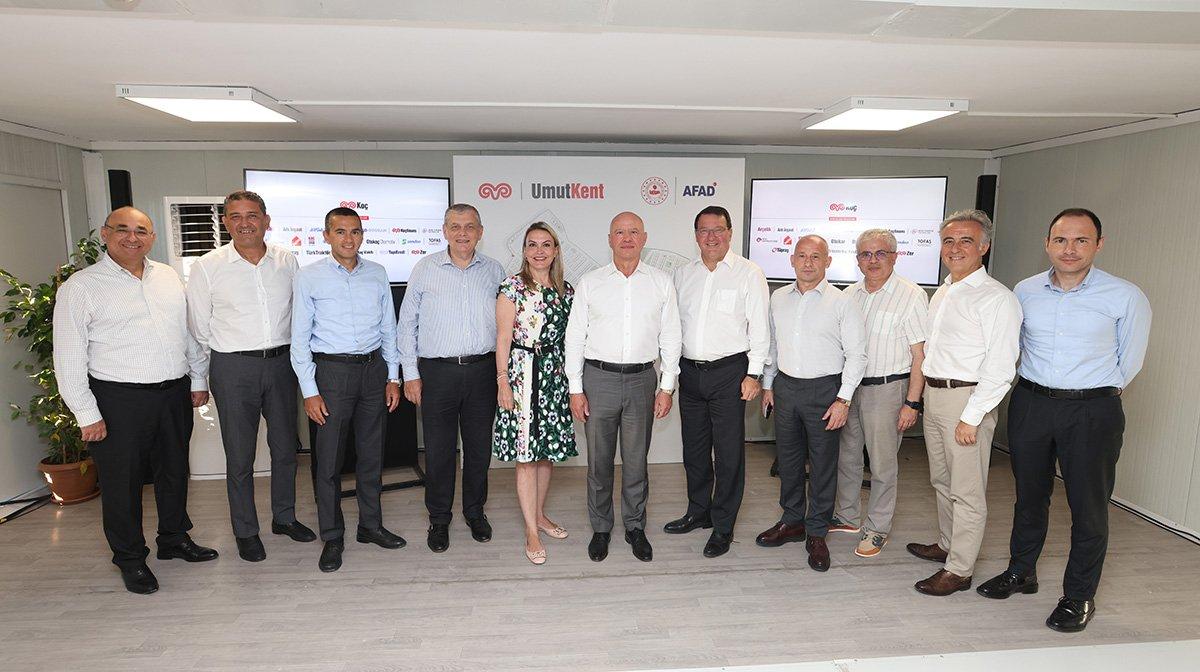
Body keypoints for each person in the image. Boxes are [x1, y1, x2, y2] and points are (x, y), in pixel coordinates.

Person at [976, 208, 1151, 632]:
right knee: (1029, 496)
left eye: (1081, 240)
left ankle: (1078, 595)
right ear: (1047, 244)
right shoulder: (1025, 290)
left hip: (1092, 410)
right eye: (1060, 240)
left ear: (1099, 244)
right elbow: (1013, 345)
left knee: (1088, 506)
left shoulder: (1125, 296)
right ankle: (1022, 572)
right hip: (1032, 403)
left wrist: (1091, 394)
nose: (1069, 249)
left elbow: (1129, 362)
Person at [53, 206, 217, 594]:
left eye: (141, 231)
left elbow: (187, 333)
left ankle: (173, 539)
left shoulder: (168, 277)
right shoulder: (81, 287)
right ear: (105, 234)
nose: (132, 237)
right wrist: (86, 413)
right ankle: (130, 559)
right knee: (122, 484)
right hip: (118, 399)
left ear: (152, 237)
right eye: (122, 229)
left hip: (173, 392)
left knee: (174, 471)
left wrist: (198, 378)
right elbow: (69, 356)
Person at [186, 190, 316, 563]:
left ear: (266, 220)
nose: (245, 223)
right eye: (236, 216)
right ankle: (245, 531)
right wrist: (200, 378)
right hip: (233, 367)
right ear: (226, 222)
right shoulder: (208, 266)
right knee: (239, 454)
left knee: (285, 448)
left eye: (252, 215)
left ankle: (284, 517)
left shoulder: (287, 261)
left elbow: (300, 314)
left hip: (281, 364)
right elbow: (197, 327)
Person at [908, 209, 1021, 596]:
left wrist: (972, 417)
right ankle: (947, 544)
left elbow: (1001, 366)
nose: (955, 248)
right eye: (948, 241)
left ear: (984, 247)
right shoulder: (944, 291)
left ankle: (959, 570)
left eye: (966, 241)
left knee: (967, 490)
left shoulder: (997, 298)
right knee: (942, 480)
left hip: (967, 401)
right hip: (936, 396)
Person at [291, 207, 404, 573]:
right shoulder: (309, 277)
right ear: (326, 236)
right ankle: (332, 535)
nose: (348, 238)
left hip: (374, 371)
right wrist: (310, 390)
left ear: (362, 235)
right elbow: (299, 339)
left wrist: (393, 377)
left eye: (355, 231)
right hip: (331, 374)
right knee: (329, 461)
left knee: (372, 455)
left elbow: (389, 328)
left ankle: (370, 526)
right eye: (340, 231)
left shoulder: (377, 273)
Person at [565, 211, 681, 563]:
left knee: (636, 461)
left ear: (644, 238)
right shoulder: (590, 283)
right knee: (599, 462)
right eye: (620, 232)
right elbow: (575, 338)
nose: (627, 238)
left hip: (642, 380)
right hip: (597, 379)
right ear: (610, 239)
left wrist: (667, 386)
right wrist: (575, 388)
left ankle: (634, 527)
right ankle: (601, 528)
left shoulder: (661, 282)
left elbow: (671, 336)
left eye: (633, 232)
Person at [397, 203, 505, 553]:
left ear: (480, 232)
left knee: (478, 450)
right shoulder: (425, 268)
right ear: (444, 231)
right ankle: (439, 519)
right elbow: (406, 325)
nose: (462, 233)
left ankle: (475, 512)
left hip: (482, 372)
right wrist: (410, 375)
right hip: (437, 373)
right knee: (439, 451)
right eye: (455, 226)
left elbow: (507, 325)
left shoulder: (494, 270)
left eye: (470, 226)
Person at [759, 235, 866, 573]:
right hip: (786, 387)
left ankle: (817, 531)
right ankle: (792, 521)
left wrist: (843, 399)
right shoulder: (778, 298)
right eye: (802, 256)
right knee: (789, 461)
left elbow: (857, 355)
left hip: (825, 391)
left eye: (815, 256)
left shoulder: (842, 302)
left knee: (822, 465)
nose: (808, 263)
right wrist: (768, 385)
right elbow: (773, 345)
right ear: (792, 260)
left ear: (828, 262)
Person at [667, 205, 770, 558]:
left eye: (718, 230)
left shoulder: (749, 273)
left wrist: (754, 373)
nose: (711, 237)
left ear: (729, 232)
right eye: (704, 230)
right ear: (696, 235)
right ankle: (699, 512)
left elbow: (760, 327)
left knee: (728, 455)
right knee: (694, 450)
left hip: (730, 373)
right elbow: (673, 326)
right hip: (690, 373)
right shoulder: (683, 274)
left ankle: (723, 526)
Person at [831, 229, 928, 558]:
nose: (872, 260)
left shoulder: (911, 295)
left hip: (888, 389)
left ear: (895, 257)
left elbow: (920, 356)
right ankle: (846, 516)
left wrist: (912, 403)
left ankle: (877, 528)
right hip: (851, 388)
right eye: (865, 254)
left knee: (883, 464)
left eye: (880, 253)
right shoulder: (848, 295)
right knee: (848, 456)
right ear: (857, 259)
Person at [493, 223, 578, 565]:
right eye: (532, 245)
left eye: (546, 245)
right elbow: (502, 339)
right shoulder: (512, 287)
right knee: (526, 456)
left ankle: (540, 515)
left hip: (554, 377)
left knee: (546, 454)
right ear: (524, 251)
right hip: (522, 377)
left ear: (556, 251)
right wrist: (503, 382)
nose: (539, 251)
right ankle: (531, 531)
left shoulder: (566, 291)